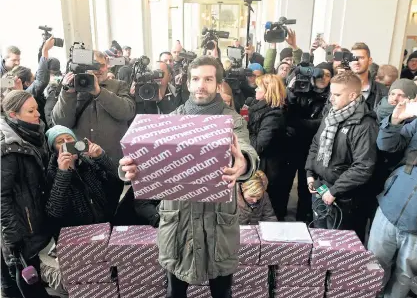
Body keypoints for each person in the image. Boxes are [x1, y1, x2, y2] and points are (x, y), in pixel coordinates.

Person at [120, 56, 259, 298]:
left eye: (208, 79)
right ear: (187, 83)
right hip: (179, 219)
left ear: (217, 84)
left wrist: (243, 162)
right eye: (195, 79)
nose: (201, 85)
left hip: (217, 220)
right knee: (175, 291)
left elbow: (245, 149)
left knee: (222, 292)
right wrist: (127, 169)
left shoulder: (232, 121)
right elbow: (143, 156)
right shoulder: (171, 120)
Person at [305, 71, 378, 242]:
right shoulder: (330, 115)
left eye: (337, 94)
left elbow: (363, 166)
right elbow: (316, 144)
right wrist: (310, 174)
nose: (331, 98)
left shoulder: (365, 125)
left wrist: (334, 191)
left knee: (336, 247)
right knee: (319, 239)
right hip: (320, 188)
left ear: (353, 95)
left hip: (343, 199)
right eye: (331, 93)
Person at [1, 90, 55, 298]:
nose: (38, 114)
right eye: (31, 111)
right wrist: (12, 237)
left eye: (37, 108)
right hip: (20, 227)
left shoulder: (33, 133)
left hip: (32, 218)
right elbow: (2, 197)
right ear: (13, 115)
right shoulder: (7, 147)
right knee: (23, 272)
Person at [52, 51, 135, 170]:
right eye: (93, 66)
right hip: (82, 162)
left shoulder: (119, 86)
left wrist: (99, 92)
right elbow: (61, 123)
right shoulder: (73, 89)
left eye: (101, 65)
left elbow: (127, 112)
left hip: (113, 161)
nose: (99, 69)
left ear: (107, 65)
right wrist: (67, 93)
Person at [368, 99, 417, 298]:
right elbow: (386, 145)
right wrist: (396, 120)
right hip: (391, 206)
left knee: (404, 275)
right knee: (374, 266)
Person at [44, 125, 121, 236]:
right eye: (60, 141)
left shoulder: (87, 162)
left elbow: (116, 185)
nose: (67, 143)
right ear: (54, 149)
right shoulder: (51, 172)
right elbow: (54, 211)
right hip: (77, 237)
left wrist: (101, 157)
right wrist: (63, 172)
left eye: (69, 138)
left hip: (103, 228)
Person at [282, 62, 333, 222]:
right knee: (285, 182)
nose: (323, 77)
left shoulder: (332, 97)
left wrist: (297, 122)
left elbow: (321, 123)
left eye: (327, 75)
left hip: (314, 148)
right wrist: (291, 91)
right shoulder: (302, 88)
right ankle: (280, 214)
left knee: (307, 186)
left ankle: (303, 218)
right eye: (320, 73)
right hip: (293, 145)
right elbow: (287, 110)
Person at [247, 74, 287, 221]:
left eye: (259, 87)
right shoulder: (259, 109)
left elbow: (258, 145)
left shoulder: (273, 115)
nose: (255, 90)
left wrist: (245, 133)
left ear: (267, 91)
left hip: (269, 167)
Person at [7, 37, 55, 128]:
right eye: (33, 80)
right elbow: (41, 80)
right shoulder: (27, 95)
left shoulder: (12, 96)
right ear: (27, 84)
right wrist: (45, 51)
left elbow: (39, 75)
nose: (37, 114)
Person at [349, 42, 387, 111]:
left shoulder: (382, 91)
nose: (356, 62)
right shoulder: (340, 87)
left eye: (361, 58)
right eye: (353, 58)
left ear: (370, 61)